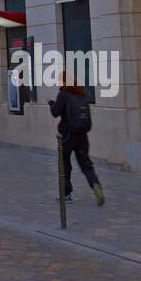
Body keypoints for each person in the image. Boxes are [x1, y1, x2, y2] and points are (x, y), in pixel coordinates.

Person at [49, 76, 105, 206]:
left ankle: (66, 194)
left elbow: (55, 112)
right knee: (86, 164)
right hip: (82, 136)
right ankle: (95, 184)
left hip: (68, 136)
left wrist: (51, 103)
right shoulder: (81, 94)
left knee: (65, 165)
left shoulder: (63, 94)